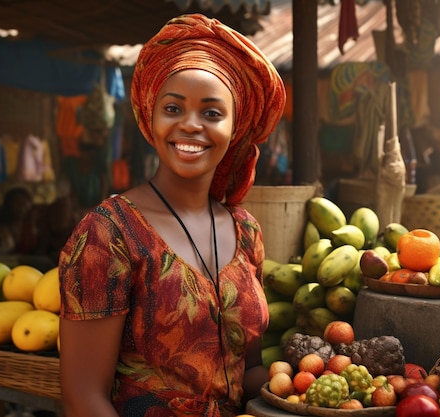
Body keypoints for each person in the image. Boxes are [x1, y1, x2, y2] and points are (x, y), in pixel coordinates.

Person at [58, 13, 286, 417]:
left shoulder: (245, 231)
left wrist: (309, 384)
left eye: (212, 113)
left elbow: (244, 373)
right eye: (173, 107)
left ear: (235, 127)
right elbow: (83, 398)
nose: (190, 125)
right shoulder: (108, 234)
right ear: (151, 116)